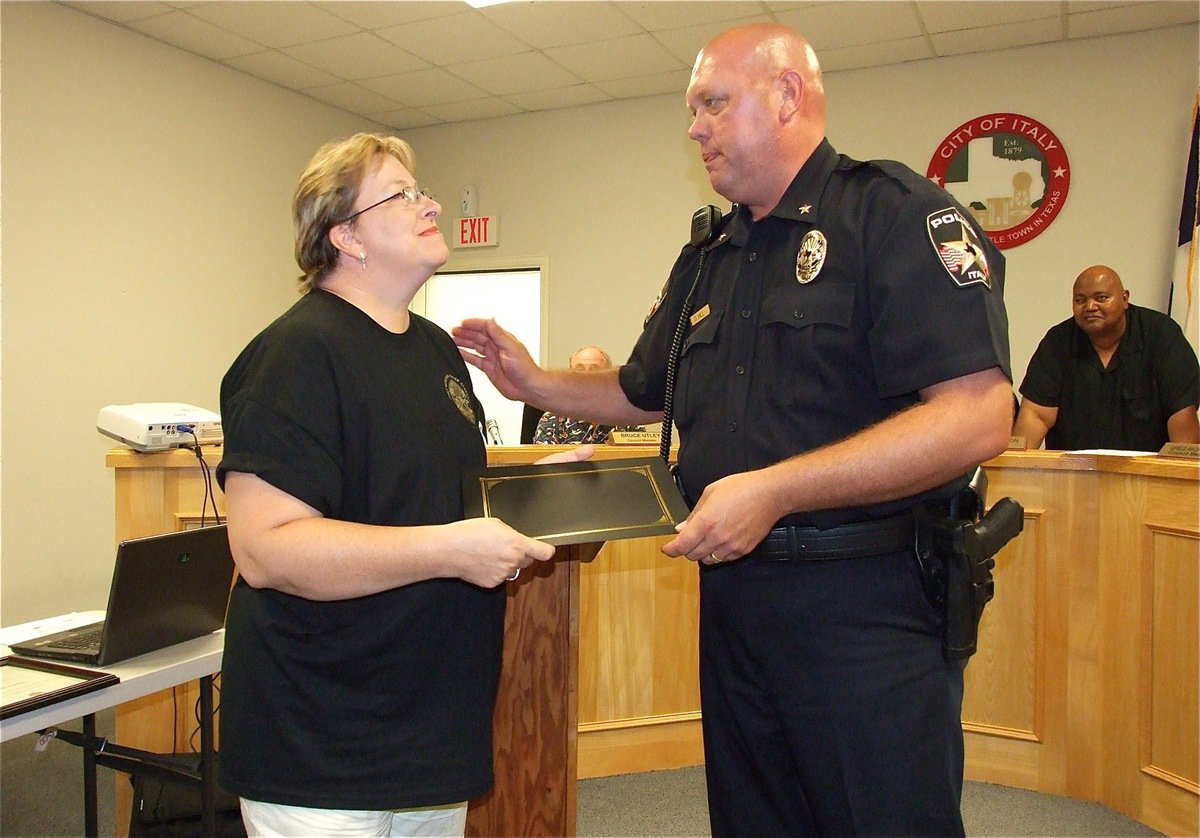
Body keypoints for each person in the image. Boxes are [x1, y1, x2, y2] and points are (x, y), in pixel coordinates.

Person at [454, 23, 1014, 837]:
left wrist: (777, 490)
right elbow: (648, 389)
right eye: (693, 110)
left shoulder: (891, 215)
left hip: (866, 605)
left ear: (788, 97)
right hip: (738, 603)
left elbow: (978, 415)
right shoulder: (713, 252)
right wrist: (532, 378)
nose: (694, 127)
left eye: (713, 103)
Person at [215, 133, 587, 837]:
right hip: (323, 741)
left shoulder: (434, 350)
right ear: (346, 236)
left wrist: (545, 495)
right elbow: (267, 550)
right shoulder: (294, 355)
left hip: (427, 729)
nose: (432, 203)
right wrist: (450, 551)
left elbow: (440, 503)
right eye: (404, 192)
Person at [1014, 264, 1200, 450]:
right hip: (1072, 474)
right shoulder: (1058, 342)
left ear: (1124, 298)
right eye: (1080, 300)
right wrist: (1011, 471)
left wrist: (1182, 474)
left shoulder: (1161, 335)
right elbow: (1036, 416)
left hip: (1149, 474)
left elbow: (1182, 417)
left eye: (1101, 298)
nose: (1090, 307)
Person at [532, 346, 646, 443]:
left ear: (609, 376)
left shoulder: (628, 417)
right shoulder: (553, 418)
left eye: (594, 370)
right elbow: (544, 464)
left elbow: (643, 457)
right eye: (579, 370)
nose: (586, 377)